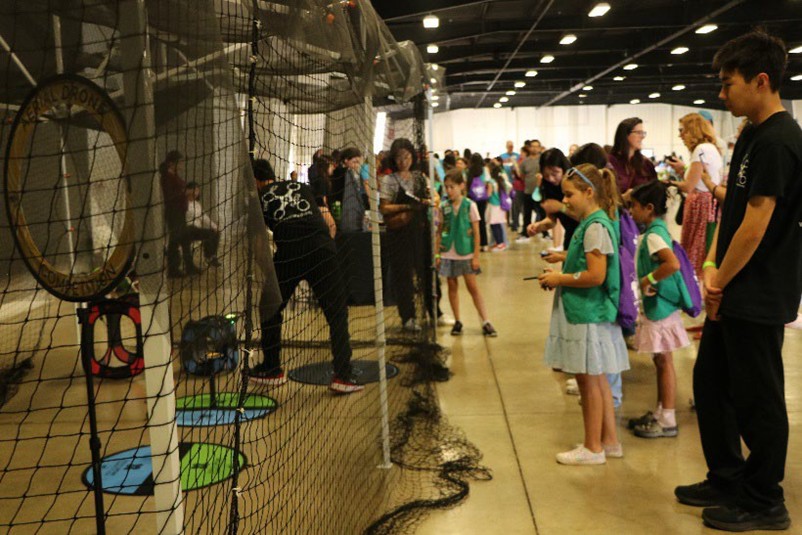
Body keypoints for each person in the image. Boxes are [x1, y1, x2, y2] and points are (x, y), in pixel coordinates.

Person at [675, 29, 802, 532]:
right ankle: (727, 475)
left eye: (728, 84)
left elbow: (757, 221)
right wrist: (712, 265)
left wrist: (718, 279)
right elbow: (734, 208)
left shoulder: (779, 141)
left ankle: (764, 499)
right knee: (712, 384)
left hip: (758, 289)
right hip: (733, 284)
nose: (721, 94)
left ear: (762, 80)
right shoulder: (751, 134)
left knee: (758, 398)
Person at [538, 164, 629, 465]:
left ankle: (592, 448)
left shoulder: (594, 226)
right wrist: (564, 256)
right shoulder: (594, 223)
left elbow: (596, 275)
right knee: (598, 378)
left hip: (587, 313)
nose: (564, 201)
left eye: (569, 194)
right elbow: (591, 257)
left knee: (588, 382)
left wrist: (558, 277)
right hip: (588, 312)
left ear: (589, 192)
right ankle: (608, 441)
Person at [250, 159, 364, 394]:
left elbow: (260, 245)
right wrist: (326, 251)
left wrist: (271, 275)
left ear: (255, 180)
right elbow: (328, 221)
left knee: (269, 307)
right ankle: (343, 375)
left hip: (290, 252)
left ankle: (272, 369)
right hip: (321, 248)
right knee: (337, 313)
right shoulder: (301, 187)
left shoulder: (258, 199)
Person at [627, 181, 691, 439]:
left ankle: (667, 418)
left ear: (649, 208)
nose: (631, 212)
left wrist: (647, 280)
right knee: (661, 360)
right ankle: (661, 410)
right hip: (660, 307)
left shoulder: (654, 235)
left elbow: (672, 264)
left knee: (664, 361)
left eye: (634, 206)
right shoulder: (658, 230)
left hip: (660, 309)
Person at [379, 138, 434, 332]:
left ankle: (434, 310)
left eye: (407, 156)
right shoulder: (389, 180)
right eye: (399, 158)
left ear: (413, 156)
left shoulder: (420, 177)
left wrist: (427, 201)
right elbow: (384, 208)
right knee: (403, 277)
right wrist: (408, 206)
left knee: (426, 271)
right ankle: (408, 316)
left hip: (420, 231)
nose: (403, 161)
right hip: (399, 234)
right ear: (393, 159)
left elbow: (432, 196)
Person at [435, 170, 497, 337]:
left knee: (473, 287)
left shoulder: (470, 205)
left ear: (461, 186)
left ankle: (486, 321)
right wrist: (437, 254)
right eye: (446, 187)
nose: (448, 191)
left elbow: (477, 232)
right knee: (452, 286)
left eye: (452, 187)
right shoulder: (443, 207)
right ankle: (457, 321)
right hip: (448, 252)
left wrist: (476, 256)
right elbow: (439, 231)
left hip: (466, 253)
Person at [667, 113, 724, 279]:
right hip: (707, 202)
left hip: (700, 204)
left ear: (692, 130)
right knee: (702, 248)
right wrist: (684, 169)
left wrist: (669, 183)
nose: (680, 135)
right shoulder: (709, 148)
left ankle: (695, 293)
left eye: (682, 130)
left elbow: (689, 186)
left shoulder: (701, 150)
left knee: (695, 250)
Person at [526, 148, 577, 250]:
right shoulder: (548, 187)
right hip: (570, 237)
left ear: (564, 168)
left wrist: (561, 207)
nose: (551, 179)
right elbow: (551, 220)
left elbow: (584, 217)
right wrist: (538, 226)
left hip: (585, 236)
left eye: (555, 173)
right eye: (546, 175)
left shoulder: (576, 183)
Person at [159, 150, 199, 277]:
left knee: (180, 241)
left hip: (179, 212)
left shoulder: (174, 176)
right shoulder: (167, 177)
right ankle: (175, 269)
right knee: (177, 241)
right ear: (171, 163)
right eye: (180, 162)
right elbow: (170, 196)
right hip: (174, 213)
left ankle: (186, 267)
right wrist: (185, 193)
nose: (182, 164)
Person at [608, 118, 657, 198]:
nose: (642, 137)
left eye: (643, 133)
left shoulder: (646, 164)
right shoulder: (610, 163)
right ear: (625, 135)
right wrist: (624, 198)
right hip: (618, 209)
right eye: (638, 133)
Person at [184, 182, 221, 267]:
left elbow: (204, 217)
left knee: (215, 232)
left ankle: (211, 257)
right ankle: (209, 257)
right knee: (208, 234)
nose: (196, 192)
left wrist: (214, 226)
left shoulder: (197, 204)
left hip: (196, 229)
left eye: (197, 190)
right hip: (187, 229)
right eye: (194, 190)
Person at [517, 142, 543, 242]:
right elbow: (522, 176)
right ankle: (525, 233)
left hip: (540, 192)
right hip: (528, 191)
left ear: (540, 148)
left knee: (542, 213)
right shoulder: (525, 161)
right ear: (529, 148)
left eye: (537, 146)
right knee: (526, 214)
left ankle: (544, 233)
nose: (535, 148)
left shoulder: (542, 160)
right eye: (533, 146)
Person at [466, 153, 491, 251]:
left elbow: (467, 184)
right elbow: (488, 183)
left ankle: (473, 243)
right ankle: (483, 244)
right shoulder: (485, 170)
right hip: (482, 199)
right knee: (482, 221)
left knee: (472, 221)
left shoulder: (469, 171)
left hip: (472, 198)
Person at [338, 147, 367, 233]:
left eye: (358, 162)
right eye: (354, 162)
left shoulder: (355, 174)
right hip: (347, 219)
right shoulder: (344, 174)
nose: (357, 165)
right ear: (346, 160)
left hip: (356, 217)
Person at [487, 161, 511, 251]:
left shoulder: (491, 182)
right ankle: (500, 243)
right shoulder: (501, 181)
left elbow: (488, 194)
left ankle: (500, 244)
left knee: (494, 225)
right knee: (498, 225)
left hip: (493, 205)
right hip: (500, 206)